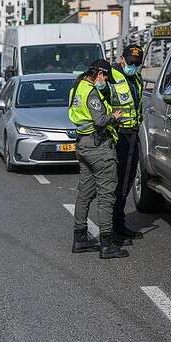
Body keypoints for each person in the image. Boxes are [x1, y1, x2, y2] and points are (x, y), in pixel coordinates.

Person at [68, 59, 129, 259]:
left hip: (83, 145)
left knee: (85, 192)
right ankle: (107, 243)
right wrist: (115, 116)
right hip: (98, 147)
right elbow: (99, 120)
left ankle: (80, 238)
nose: (105, 81)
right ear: (100, 74)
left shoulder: (77, 88)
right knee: (106, 195)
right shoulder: (91, 92)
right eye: (105, 77)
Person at [108, 45, 145, 246]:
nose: (133, 66)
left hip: (132, 135)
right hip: (117, 136)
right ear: (122, 58)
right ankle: (111, 228)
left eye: (137, 64)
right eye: (130, 62)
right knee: (115, 182)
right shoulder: (111, 76)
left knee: (127, 182)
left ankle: (119, 224)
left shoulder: (136, 79)